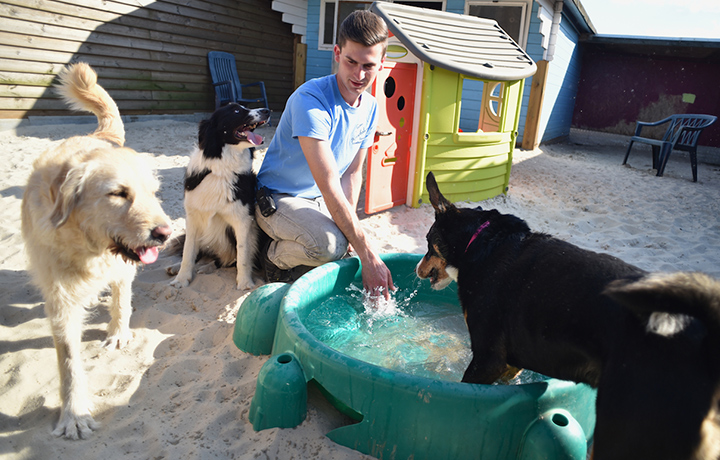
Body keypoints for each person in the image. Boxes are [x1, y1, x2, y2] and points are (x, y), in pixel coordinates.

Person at [255, 9, 395, 299]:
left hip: (318, 200)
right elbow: (330, 182)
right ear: (336, 53)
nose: (358, 75)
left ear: (381, 64)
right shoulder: (312, 100)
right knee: (329, 246)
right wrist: (366, 255)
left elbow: (353, 173)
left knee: (343, 240)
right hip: (279, 197)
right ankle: (271, 258)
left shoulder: (370, 108)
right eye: (351, 62)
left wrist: (351, 237)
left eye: (368, 66)